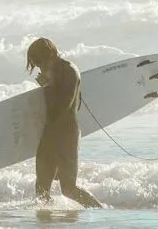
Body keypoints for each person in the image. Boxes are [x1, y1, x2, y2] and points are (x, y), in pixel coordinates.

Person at [26, 37, 103, 208]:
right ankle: (47, 224)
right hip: (49, 134)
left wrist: (47, 86)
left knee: (69, 189)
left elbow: (63, 106)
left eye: (41, 63)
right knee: (41, 189)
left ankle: (101, 213)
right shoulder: (52, 74)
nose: (41, 68)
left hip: (66, 136)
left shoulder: (69, 71)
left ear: (51, 54)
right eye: (37, 65)